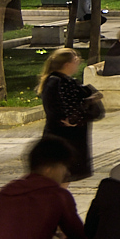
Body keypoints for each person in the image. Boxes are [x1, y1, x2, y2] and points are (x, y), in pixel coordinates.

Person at [39, 48, 93, 181]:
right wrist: (74, 120)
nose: (79, 62)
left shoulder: (63, 81)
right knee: (60, 176)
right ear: (67, 64)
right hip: (64, 138)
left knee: (63, 177)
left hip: (65, 137)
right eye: (76, 60)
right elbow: (57, 110)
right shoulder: (59, 82)